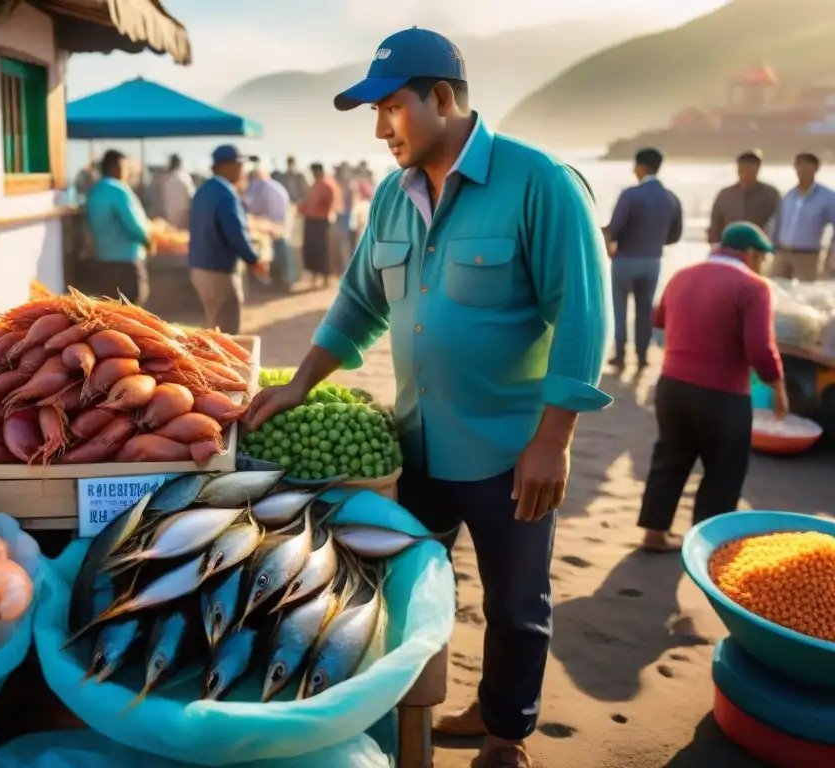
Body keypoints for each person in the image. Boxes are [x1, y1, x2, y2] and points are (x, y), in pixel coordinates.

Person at [244, 28, 611, 768]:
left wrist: (554, 440)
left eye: (390, 109)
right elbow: (357, 302)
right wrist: (298, 384)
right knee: (410, 595)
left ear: (441, 99)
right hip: (413, 442)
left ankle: (506, 731)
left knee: (515, 603)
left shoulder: (540, 183)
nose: (380, 130)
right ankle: (412, 716)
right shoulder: (391, 196)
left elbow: (584, 312)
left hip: (510, 449)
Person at [637, 223, 787, 552]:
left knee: (670, 457)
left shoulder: (681, 275)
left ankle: (654, 531)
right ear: (749, 254)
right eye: (761, 257)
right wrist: (778, 385)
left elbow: (659, 319)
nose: (761, 264)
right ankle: (706, 546)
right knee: (723, 470)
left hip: (672, 387)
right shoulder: (753, 287)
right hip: (722, 395)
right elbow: (760, 350)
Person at [603, 147, 683, 372]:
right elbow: (675, 235)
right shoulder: (670, 198)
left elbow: (615, 228)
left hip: (626, 260)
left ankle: (619, 356)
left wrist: (605, 235)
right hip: (652, 261)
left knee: (620, 309)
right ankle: (642, 357)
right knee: (644, 310)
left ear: (639, 166)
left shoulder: (630, 195)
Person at [188, 145, 268, 333]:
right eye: (240, 164)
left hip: (199, 269)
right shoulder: (225, 193)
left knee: (215, 326)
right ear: (226, 166)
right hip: (219, 272)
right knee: (227, 335)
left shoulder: (203, 190)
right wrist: (254, 260)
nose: (243, 170)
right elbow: (235, 234)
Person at [83, 150, 154, 306]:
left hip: (103, 261)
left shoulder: (96, 191)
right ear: (116, 166)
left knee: (112, 313)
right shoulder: (118, 190)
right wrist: (148, 241)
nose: (128, 171)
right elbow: (134, 226)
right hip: (126, 263)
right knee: (131, 312)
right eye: (126, 166)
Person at [769, 153, 835, 282]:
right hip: (783, 253)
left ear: (815, 169)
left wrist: (831, 255)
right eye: (798, 166)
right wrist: (773, 246)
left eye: (806, 167)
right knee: (775, 289)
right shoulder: (789, 195)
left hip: (808, 255)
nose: (801, 171)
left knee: (804, 294)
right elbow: (778, 222)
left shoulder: (828, 197)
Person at [707, 150, 780, 245]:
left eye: (749, 169)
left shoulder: (769, 194)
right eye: (741, 169)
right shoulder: (726, 194)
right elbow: (715, 223)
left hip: (757, 248)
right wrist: (714, 243)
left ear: (757, 169)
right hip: (729, 247)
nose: (744, 173)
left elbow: (778, 223)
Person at [245, 164, 295, 289]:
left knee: (268, 255)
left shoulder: (258, 186)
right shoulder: (277, 186)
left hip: (268, 227)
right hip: (281, 226)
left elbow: (252, 207)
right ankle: (284, 282)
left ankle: (270, 282)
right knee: (282, 255)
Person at [298, 163, 336, 287]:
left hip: (321, 221)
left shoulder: (326, 184)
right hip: (311, 220)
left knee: (321, 248)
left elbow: (330, 202)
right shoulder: (315, 184)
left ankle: (325, 277)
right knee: (311, 248)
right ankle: (314, 276)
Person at [160, 154, 195, 230]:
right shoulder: (184, 177)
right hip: (184, 214)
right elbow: (191, 196)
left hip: (170, 214)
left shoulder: (166, 179)